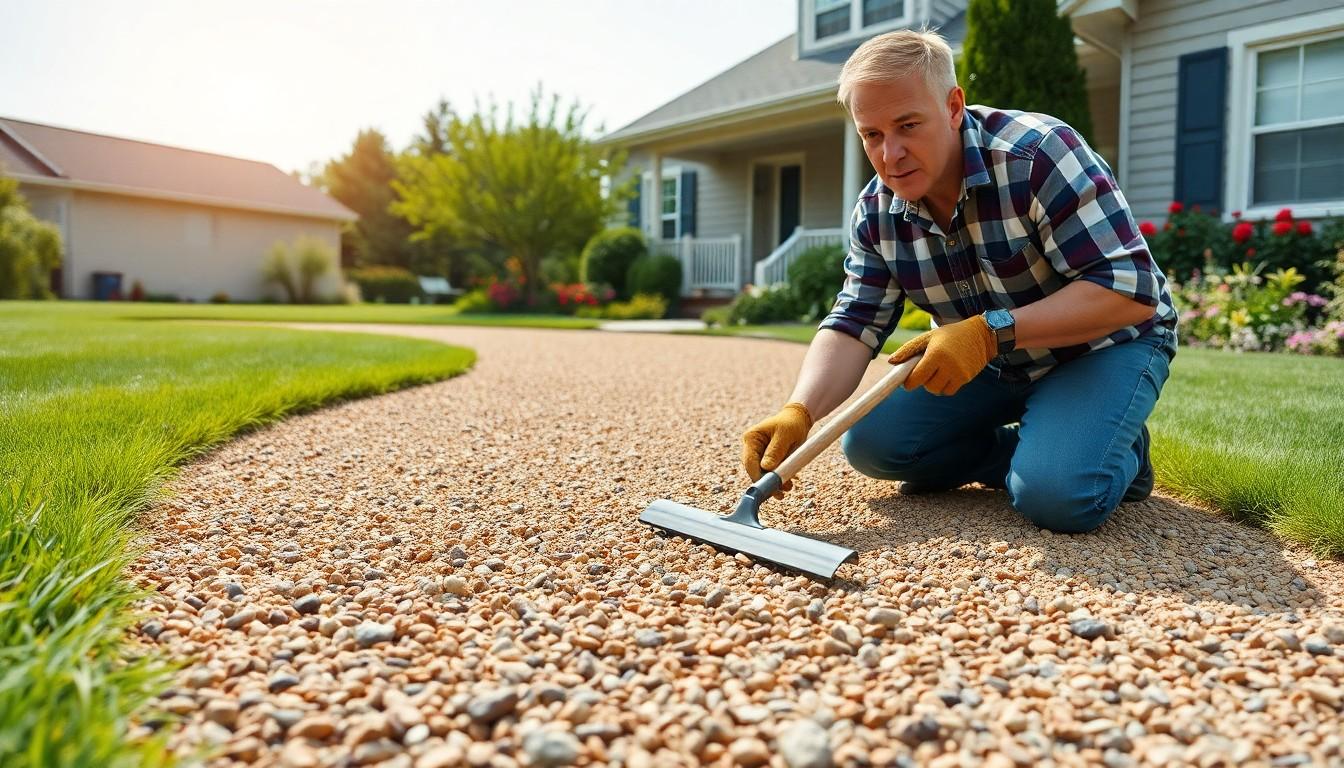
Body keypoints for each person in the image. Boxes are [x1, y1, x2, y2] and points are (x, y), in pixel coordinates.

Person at [740, 28, 1178, 534]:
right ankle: (1042, 453)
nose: (891, 154)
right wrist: (801, 409)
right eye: (873, 135)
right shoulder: (878, 210)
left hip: (1102, 345)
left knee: (1058, 498)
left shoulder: (1037, 156)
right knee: (875, 447)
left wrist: (988, 331)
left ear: (952, 106)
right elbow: (855, 319)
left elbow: (1131, 290)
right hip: (988, 356)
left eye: (908, 125)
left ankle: (1109, 457)